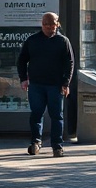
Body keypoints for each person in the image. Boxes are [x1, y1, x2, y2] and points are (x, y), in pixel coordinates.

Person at [17, 12, 74, 157]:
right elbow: (22, 60)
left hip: (56, 85)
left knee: (57, 116)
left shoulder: (63, 41)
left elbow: (70, 63)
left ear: (57, 24)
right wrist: (23, 79)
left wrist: (66, 83)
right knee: (36, 114)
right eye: (46, 25)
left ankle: (57, 146)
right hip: (36, 85)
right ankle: (35, 142)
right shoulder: (32, 40)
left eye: (52, 24)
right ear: (42, 24)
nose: (49, 27)